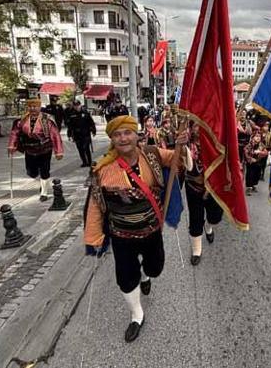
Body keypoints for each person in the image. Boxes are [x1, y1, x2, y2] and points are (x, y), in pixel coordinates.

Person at [83, 115, 189, 343]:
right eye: (117, 134)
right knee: (125, 277)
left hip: (152, 230)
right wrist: (94, 236)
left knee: (155, 267)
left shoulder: (152, 154)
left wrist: (183, 144)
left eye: (127, 132)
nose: (123, 138)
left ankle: (146, 275)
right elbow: (95, 205)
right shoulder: (102, 169)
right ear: (111, 139)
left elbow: (177, 161)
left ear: (137, 134)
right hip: (121, 235)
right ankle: (136, 314)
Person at [8, 98, 64, 201]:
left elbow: (55, 135)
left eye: (35, 106)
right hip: (29, 149)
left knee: (44, 170)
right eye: (30, 106)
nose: (32, 108)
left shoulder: (47, 120)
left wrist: (58, 151)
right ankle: (40, 180)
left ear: (39, 107)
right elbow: (14, 133)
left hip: (45, 149)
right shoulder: (22, 120)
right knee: (31, 172)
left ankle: (44, 192)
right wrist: (12, 146)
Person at [184, 123, 223, 265]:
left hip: (213, 187)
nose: (198, 129)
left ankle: (209, 226)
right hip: (193, 186)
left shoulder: (215, 141)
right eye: (195, 126)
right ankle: (196, 250)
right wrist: (180, 145)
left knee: (215, 216)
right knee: (195, 217)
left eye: (202, 125)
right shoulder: (185, 141)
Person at [71, 101, 96, 167]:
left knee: (86, 148)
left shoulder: (85, 113)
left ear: (80, 105)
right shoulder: (72, 114)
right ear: (73, 106)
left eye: (78, 105)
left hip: (85, 134)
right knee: (80, 149)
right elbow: (70, 126)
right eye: (75, 105)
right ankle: (84, 162)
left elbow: (91, 122)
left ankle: (89, 162)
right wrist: (69, 134)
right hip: (77, 135)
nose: (77, 107)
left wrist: (93, 130)